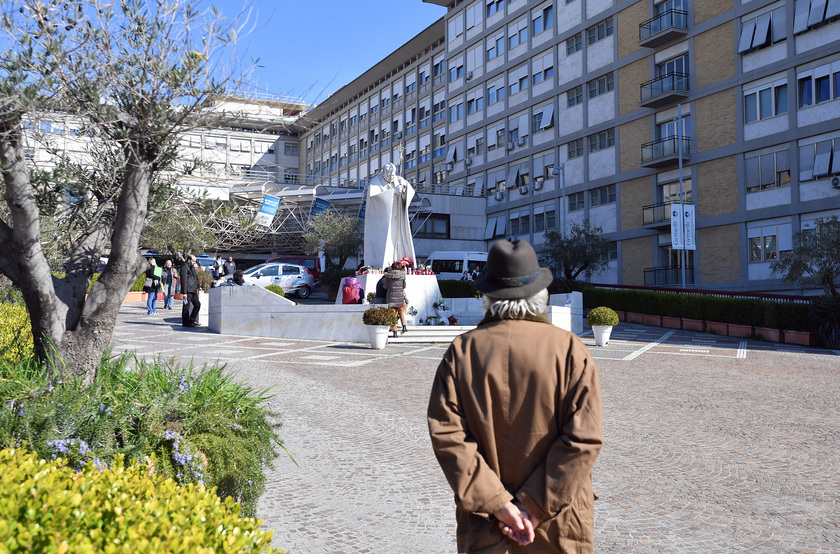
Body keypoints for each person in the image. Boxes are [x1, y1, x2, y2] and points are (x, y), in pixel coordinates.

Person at [427, 239, 603, 553]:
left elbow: (448, 437)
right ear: (540, 294)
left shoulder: (462, 352)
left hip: (487, 525)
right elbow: (583, 440)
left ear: (488, 296)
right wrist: (532, 508)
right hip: (557, 525)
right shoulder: (570, 350)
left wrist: (500, 505)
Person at [363, 163, 416, 270]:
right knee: (386, 243)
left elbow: (410, 191)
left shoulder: (397, 179)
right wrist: (392, 192)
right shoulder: (375, 182)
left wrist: (404, 188)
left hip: (397, 217)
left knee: (397, 240)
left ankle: (401, 263)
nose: (391, 178)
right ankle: (382, 266)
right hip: (382, 220)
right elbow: (374, 198)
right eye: (389, 176)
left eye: (393, 175)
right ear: (383, 173)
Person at [382, 261, 407, 338]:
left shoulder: (388, 276)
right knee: (401, 312)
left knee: (392, 314)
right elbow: (404, 286)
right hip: (400, 297)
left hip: (391, 297)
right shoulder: (403, 275)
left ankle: (395, 332)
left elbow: (385, 286)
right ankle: (404, 326)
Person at [180, 254, 201, 327]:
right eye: (193, 261)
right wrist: (184, 292)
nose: (194, 262)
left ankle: (192, 320)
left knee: (197, 304)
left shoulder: (192, 267)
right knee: (186, 306)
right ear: (189, 260)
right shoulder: (185, 266)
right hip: (188, 289)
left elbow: (195, 277)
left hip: (193, 289)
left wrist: (198, 286)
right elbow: (183, 279)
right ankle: (185, 322)